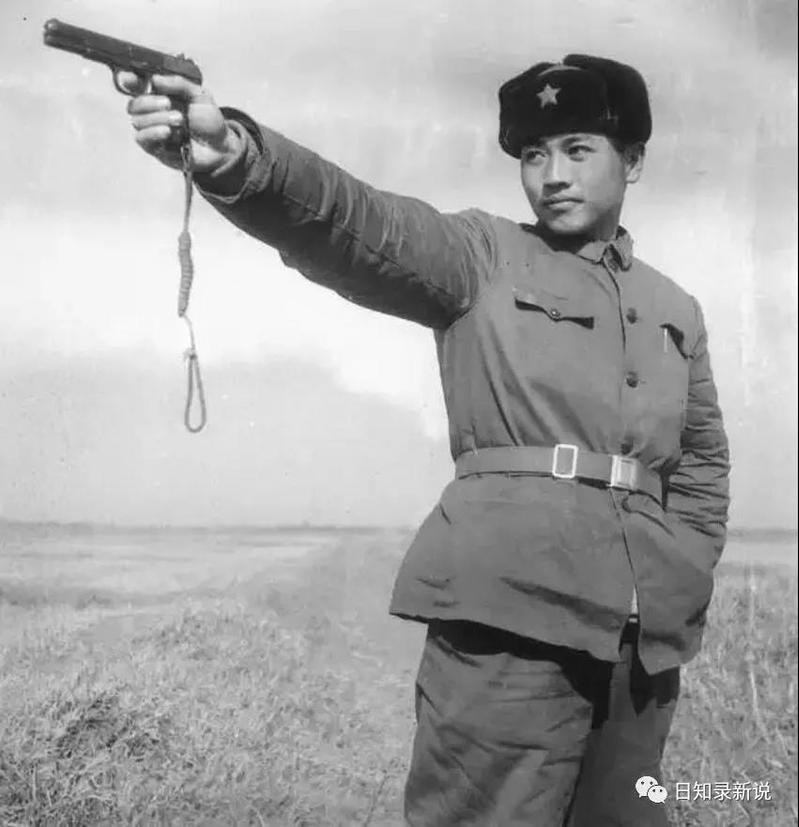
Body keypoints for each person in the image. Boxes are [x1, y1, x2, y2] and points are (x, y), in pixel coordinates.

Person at [123, 53, 730, 825]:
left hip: (641, 642)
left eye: (577, 150)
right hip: (510, 619)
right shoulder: (481, 254)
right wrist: (235, 157)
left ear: (632, 160)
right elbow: (358, 223)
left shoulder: (674, 307)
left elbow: (701, 464)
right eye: (533, 154)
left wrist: (684, 568)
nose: (551, 175)